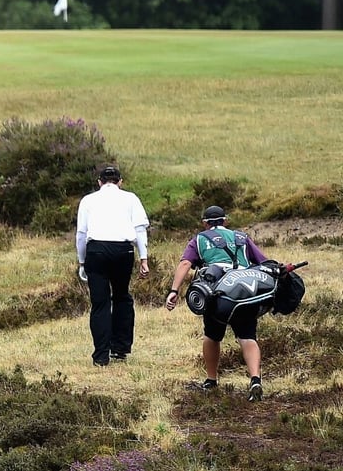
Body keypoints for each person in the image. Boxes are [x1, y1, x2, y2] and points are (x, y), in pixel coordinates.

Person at [164, 205, 270, 401]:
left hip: (219, 294)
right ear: (225, 221)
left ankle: (211, 380)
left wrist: (174, 291)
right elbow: (264, 262)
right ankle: (255, 378)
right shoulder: (241, 237)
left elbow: (186, 263)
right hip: (246, 290)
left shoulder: (200, 239)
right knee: (247, 336)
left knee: (212, 336)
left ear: (205, 223)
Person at [75, 164, 150, 366]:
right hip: (123, 250)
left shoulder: (88, 200)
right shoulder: (131, 198)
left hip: (96, 250)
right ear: (120, 182)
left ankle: (101, 355)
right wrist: (144, 258)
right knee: (122, 297)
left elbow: (81, 234)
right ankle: (120, 348)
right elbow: (140, 230)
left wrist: (82, 261)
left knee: (100, 303)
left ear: (99, 182)